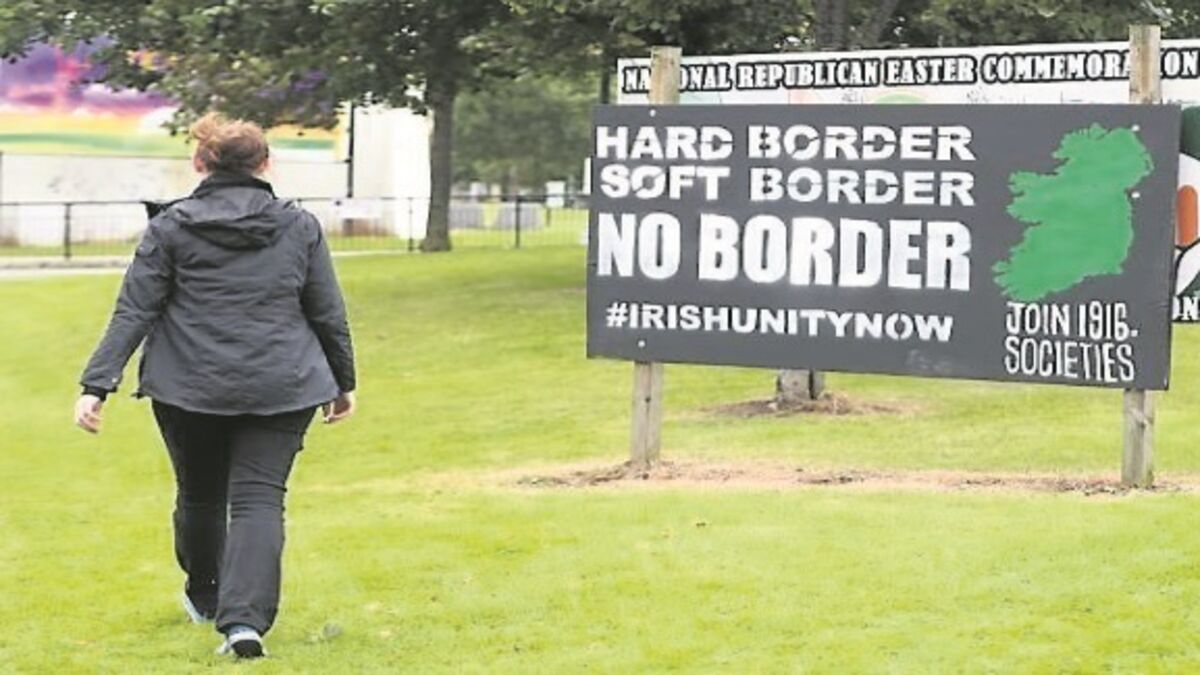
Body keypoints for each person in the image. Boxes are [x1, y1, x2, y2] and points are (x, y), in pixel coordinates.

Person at [73, 112, 357, 659]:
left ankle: (208, 597)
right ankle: (243, 623)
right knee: (259, 501)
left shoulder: (171, 227)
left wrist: (96, 385)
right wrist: (343, 381)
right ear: (265, 164)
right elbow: (327, 312)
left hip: (189, 385)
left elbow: (135, 309)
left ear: (200, 163)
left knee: (200, 494)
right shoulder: (299, 226)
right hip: (282, 382)